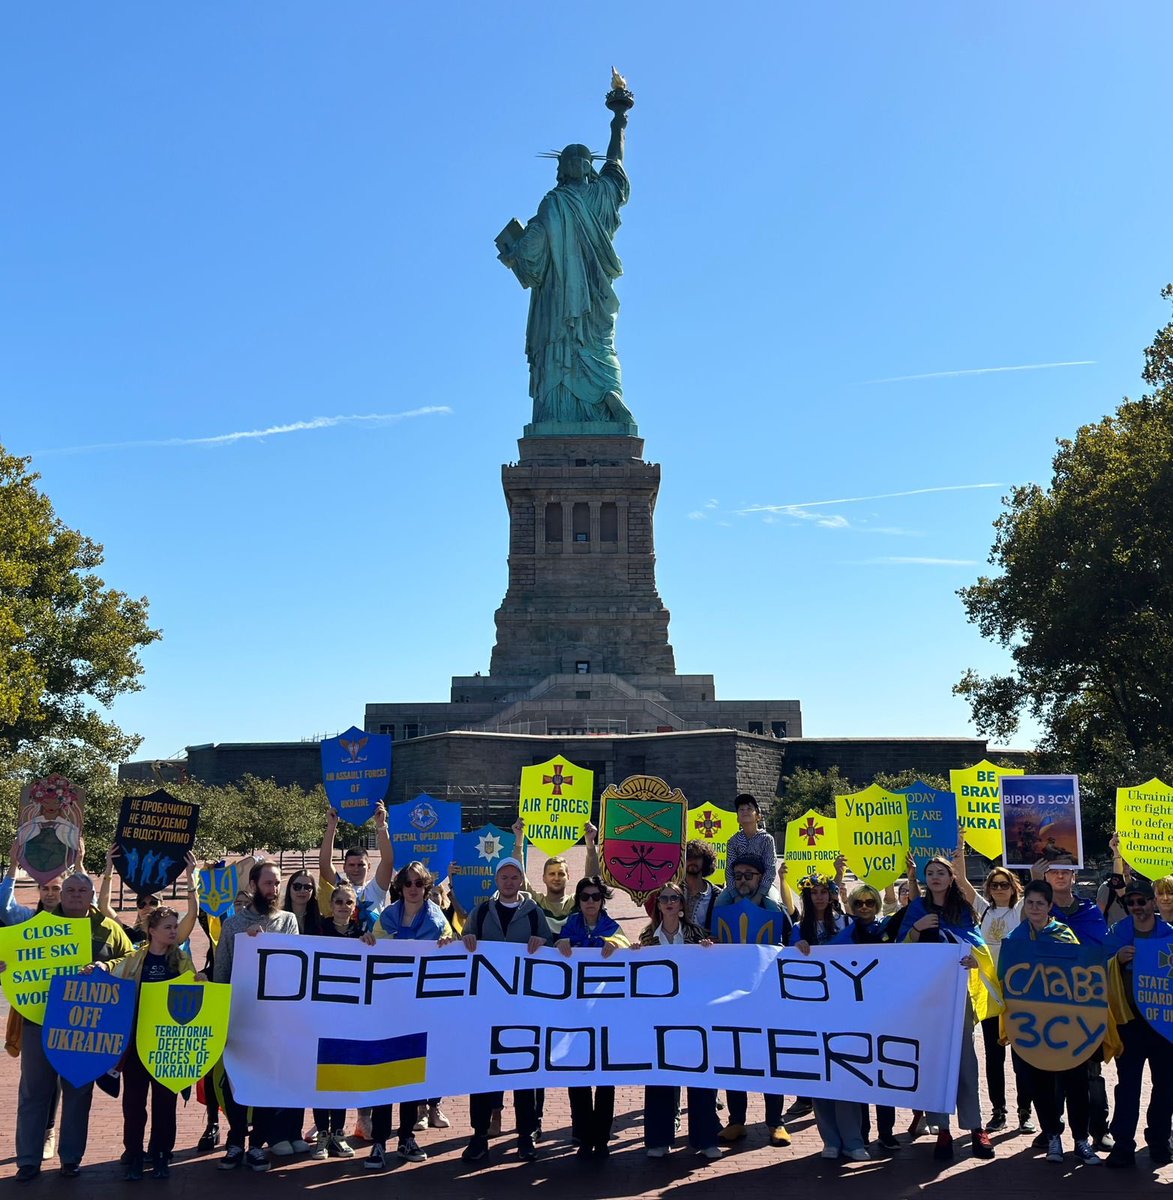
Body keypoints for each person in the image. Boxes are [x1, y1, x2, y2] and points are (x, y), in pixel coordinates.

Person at [497, 102, 636, 429]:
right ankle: (603, 400)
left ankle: (564, 413)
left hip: (564, 301)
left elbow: (529, 254)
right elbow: (615, 163)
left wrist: (511, 251)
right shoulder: (596, 197)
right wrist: (619, 121)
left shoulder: (554, 202)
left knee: (566, 348)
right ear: (589, 167)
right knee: (598, 348)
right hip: (584, 297)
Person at [5, 872, 134, 1181]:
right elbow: (13, 960)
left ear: (91, 895)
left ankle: (71, 1158)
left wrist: (108, 966)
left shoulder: (109, 929)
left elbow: (132, 958)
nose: (76, 894)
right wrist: (5, 967)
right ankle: (28, 1160)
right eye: (70, 890)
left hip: (86, 1025)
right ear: (60, 895)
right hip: (40, 1019)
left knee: (78, 1090)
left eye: (82, 890)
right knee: (34, 1091)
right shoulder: (37, 927)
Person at [459, 858, 554, 1164]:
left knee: (523, 1075)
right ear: (496, 880)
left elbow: (551, 950)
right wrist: (466, 939)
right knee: (483, 1075)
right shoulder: (482, 911)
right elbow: (462, 946)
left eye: (515, 877)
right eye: (504, 877)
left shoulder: (533, 912)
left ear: (521, 881)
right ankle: (479, 1135)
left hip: (522, 1009)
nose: (510, 882)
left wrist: (544, 942)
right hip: (487, 1009)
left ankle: (525, 1136)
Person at [901, 856, 996, 1161]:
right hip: (927, 997)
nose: (935, 877)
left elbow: (977, 945)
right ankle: (941, 1128)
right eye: (930, 873)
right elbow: (898, 951)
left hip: (958, 994)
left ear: (951, 877)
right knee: (935, 1061)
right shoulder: (916, 909)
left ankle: (975, 1126)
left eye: (941, 872)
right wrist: (916, 929)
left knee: (966, 1060)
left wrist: (974, 960)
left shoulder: (962, 909)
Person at [1003, 879, 1100, 1165]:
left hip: (1067, 1024)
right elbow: (1005, 978)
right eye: (1030, 903)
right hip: (1033, 1026)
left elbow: (1083, 973)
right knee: (1040, 1084)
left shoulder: (1065, 935)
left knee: (1076, 1084)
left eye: (1040, 904)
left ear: (1049, 906)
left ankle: (1081, 1140)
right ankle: (1053, 1137)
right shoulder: (1017, 938)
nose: (1034, 908)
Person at [212, 861, 300, 1173]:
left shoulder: (288, 921)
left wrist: (266, 945)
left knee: (264, 1083)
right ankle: (235, 1140)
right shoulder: (234, 924)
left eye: (277, 884)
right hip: (240, 1016)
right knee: (237, 1082)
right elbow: (221, 970)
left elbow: (293, 968)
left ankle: (256, 1146)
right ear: (253, 884)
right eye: (268, 883)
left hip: (273, 1020)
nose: (274, 889)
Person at [365, 863, 453, 1171]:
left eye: (419, 883)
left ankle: (405, 1138)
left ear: (427, 888)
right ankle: (378, 1143)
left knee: (410, 1080)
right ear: (400, 887)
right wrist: (368, 943)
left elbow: (451, 948)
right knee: (384, 1077)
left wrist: (448, 944)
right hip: (388, 1009)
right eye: (408, 883)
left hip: (419, 1012)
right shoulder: (388, 916)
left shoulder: (437, 919)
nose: (413, 887)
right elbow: (372, 946)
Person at [103, 906, 200, 1179]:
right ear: (152, 931)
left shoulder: (181, 959)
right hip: (136, 1042)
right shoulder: (136, 959)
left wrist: (200, 981)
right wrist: (97, 969)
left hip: (168, 1044)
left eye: (174, 927)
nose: (173, 931)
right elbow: (113, 975)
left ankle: (160, 1153)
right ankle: (134, 1154)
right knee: (134, 1102)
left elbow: (194, 993)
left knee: (165, 1101)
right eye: (168, 927)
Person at [635, 883, 720, 1159]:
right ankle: (659, 1140)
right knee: (660, 1078)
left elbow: (711, 973)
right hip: (660, 1018)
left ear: (682, 905)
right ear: (658, 905)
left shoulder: (698, 935)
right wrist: (633, 955)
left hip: (695, 1017)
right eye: (664, 899)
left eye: (675, 898)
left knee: (701, 1078)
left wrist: (709, 952)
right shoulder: (647, 938)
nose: (670, 902)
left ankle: (705, 1140)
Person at [713, 854, 792, 1149]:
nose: (743, 880)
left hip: (767, 995)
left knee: (770, 1058)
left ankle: (776, 1122)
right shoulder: (723, 905)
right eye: (739, 876)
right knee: (735, 1058)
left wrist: (763, 891)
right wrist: (733, 888)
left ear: (761, 878)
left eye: (750, 875)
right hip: (733, 995)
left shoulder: (773, 907)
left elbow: (789, 931)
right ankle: (737, 1121)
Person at [952, 856, 1033, 1134]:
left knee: (1023, 1056)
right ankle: (998, 1110)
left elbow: (1036, 892)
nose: (999, 889)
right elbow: (961, 881)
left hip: (1017, 994)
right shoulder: (984, 911)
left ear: (1013, 888)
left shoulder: (1020, 910)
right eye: (994, 885)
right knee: (993, 1056)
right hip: (990, 995)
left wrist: (1034, 871)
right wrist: (960, 848)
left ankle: (1025, 1111)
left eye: (1004, 884)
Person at [555, 877, 630, 1157]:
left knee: (605, 1078)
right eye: (585, 897)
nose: (590, 902)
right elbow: (555, 948)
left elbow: (624, 942)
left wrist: (615, 943)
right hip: (575, 1013)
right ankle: (583, 1133)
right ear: (578, 899)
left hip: (605, 1013)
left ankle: (602, 1135)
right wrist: (560, 942)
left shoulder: (612, 926)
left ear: (602, 900)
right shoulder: (571, 924)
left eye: (595, 897)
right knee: (578, 1075)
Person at [1104, 878, 1173, 1168]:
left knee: (1166, 1086)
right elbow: (1097, 967)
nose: (1136, 907)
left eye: (1141, 901)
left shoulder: (1169, 933)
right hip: (1129, 1023)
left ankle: (1158, 1141)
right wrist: (1116, 960)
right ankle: (1123, 1145)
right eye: (1130, 902)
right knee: (1128, 1086)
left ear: (1153, 902)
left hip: (1164, 1024)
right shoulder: (1118, 932)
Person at [832, 884, 900, 1153]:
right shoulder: (845, 931)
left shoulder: (886, 928)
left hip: (882, 1009)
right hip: (854, 1013)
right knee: (859, 1072)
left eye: (869, 903)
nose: (864, 908)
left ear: (877, 905)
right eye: (858, 903)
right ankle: (861, 1132)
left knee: (883, 1071)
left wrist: (910, 879)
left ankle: (887, 1131)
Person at [317, 799, 395, 933]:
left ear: (369, 866)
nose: (356, 869)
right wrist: (331, 827)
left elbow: (387, 861)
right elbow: (324, 864)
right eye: (351, 865)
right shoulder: (339, 887)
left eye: (361, 865)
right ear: (344, 867)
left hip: (371, 949)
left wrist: (381, 826)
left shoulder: (375, 889)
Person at [723, 795, 779, 903]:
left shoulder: (767, 839)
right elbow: (729, 870)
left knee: (774, 905)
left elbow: (770, 869)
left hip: (762, 886)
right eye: (741, 809)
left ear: (758, 816)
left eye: (749, 809)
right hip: (739, 885)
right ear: (738, 818)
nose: (745, 812)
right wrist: (734, 895)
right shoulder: (733, 841)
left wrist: (759, 895)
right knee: (719, 903)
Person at [682, 839, 721, 933]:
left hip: (705, 946)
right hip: (676, 945)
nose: (692, 861)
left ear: (706, 860)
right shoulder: (673, 891)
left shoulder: (717, 895)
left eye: (697, 857)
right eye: (688, 857)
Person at [283, 869, 321, 933]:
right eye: (297, 886)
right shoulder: (279, 918)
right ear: (289, 888)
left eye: (307, 887)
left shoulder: (319, 920)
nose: (302, 890)